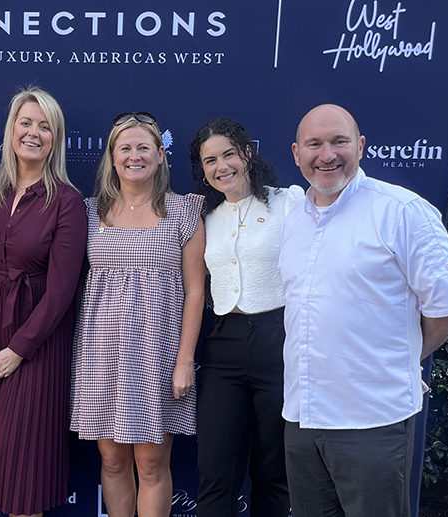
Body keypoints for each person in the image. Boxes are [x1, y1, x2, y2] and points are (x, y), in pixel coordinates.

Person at [279, 104, 448, 517]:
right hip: (302, 417)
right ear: (296, 153)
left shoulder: (402, 212)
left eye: (339, 141)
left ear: (360, 146)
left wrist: (398, 359)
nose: (326, 154)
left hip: (372, 420)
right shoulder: (293, 221)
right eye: (314, 144)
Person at [0, 87, 87, 517]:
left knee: (25, 472)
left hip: (36, 346)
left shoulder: (67, 202)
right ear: (11, 129)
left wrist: (19, 350)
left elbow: (62, 290)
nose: (34, 133)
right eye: (25, 122)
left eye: (44, 126)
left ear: (56, 138)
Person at [71, 112, 206, 517]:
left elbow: (196, 293)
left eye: (144, 147)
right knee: (111, 462)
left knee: (151, 465)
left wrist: (184, 363)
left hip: (158, 358)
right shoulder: (87, 212)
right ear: (112, 157)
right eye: (125, 148)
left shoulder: (184, 213)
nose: (134, 156)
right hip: (100, 356)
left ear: (161, 155)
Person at [189, 118, 303, 517]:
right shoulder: (207, 221)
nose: (221, 166)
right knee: (215, 472)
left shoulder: (290, 202)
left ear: (246, 153)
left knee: (273, 474)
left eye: (228, 154)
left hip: (279, 341)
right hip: (225, 346)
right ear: (202, 171)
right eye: (209, 161)